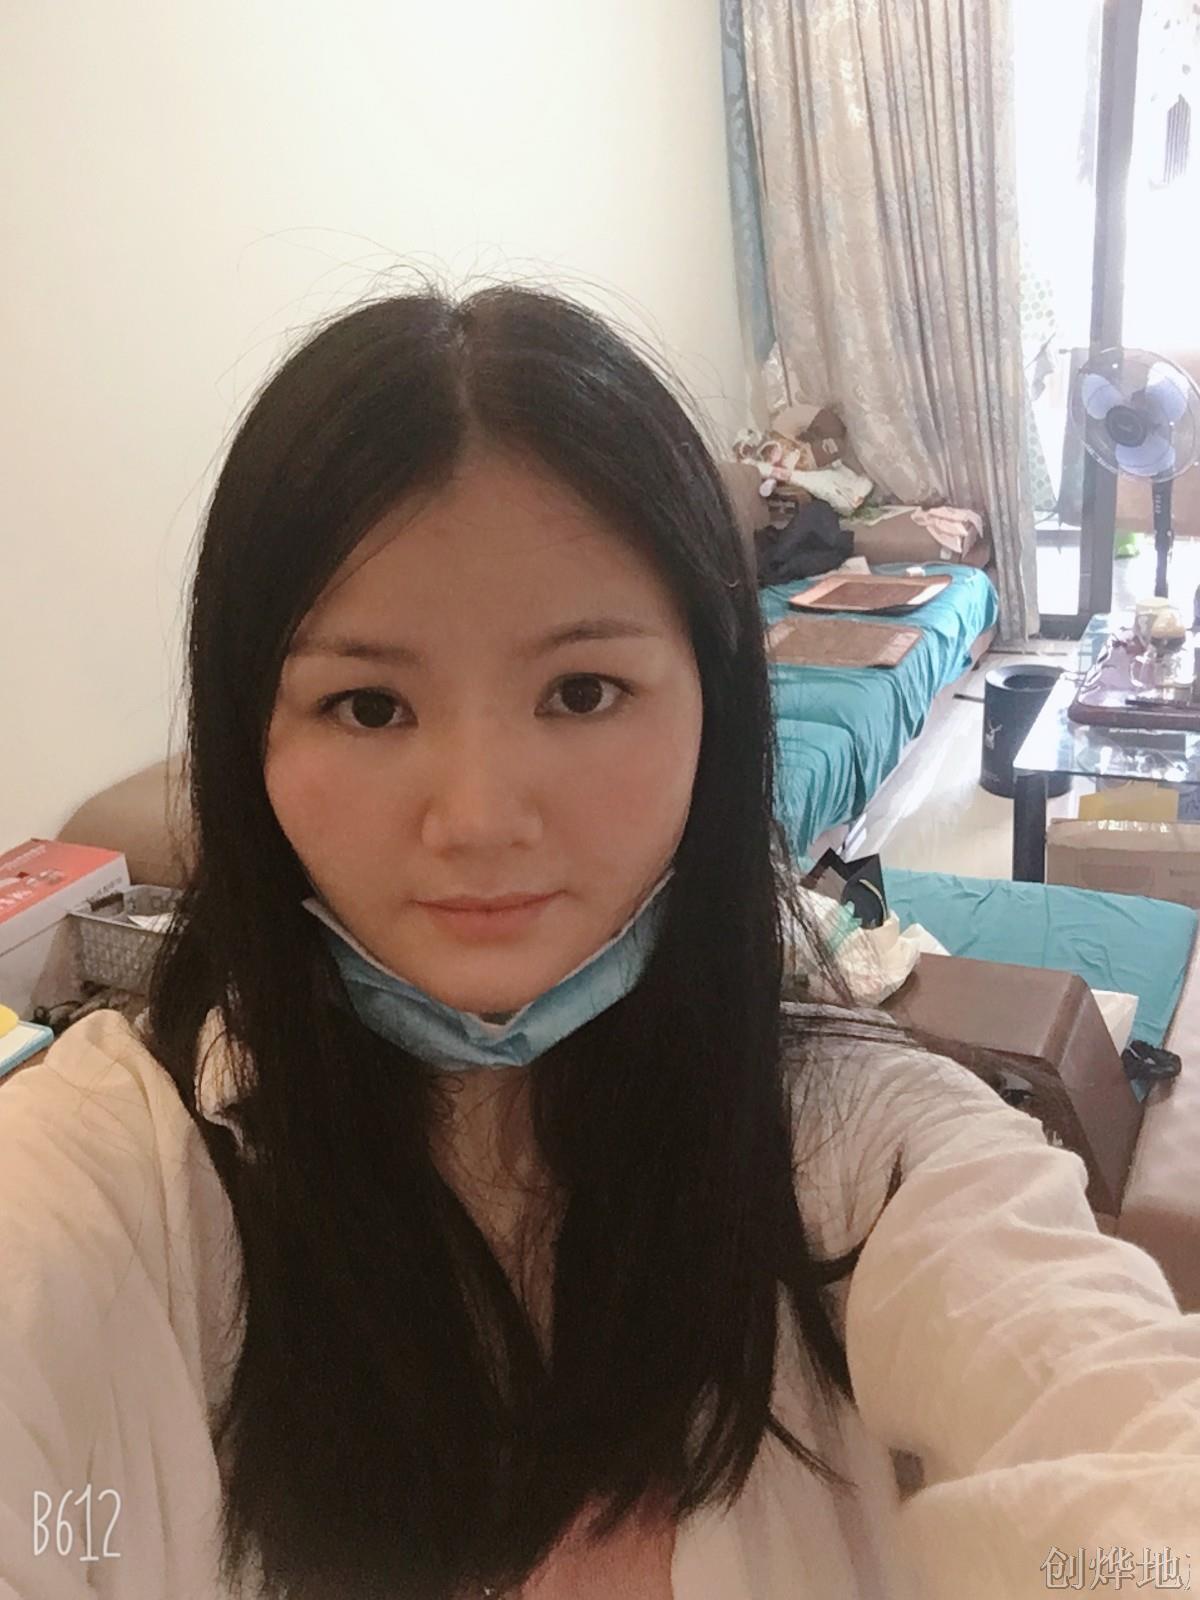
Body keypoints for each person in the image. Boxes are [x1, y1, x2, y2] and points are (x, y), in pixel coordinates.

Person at [1, 281, 1197, 1600]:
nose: (477, 819)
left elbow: (1114, 1449)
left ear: (714, 712)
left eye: (582, 691)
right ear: (247, 740)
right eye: (369, 706)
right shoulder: (111, 1178)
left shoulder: (878, 1158)